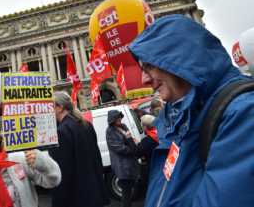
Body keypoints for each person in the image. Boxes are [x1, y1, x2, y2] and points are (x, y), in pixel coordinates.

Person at [128, 15, 254, 206]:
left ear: (177, 57)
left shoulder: (243, 112)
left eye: (149, 67)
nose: (145, 80)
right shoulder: (183, 116)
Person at [51, 91, 110, 207]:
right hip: (94, 195)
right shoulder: (86, 124)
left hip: (78, 199)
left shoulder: (62, 131)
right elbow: (98, 159)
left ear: (60, 108)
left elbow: (61, 175)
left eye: (51, 107)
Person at [106, 110, 141, 207]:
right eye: (117, 117)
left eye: (120, 116)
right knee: (126, 190)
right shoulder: (110, 131)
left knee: (131, 187)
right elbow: (119, 148)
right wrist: (133, 148)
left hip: (131, 162)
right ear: (112, 119)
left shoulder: (124, 126)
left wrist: (133, 141)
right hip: (121, 164)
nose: (120, 119)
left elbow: (129, 138)